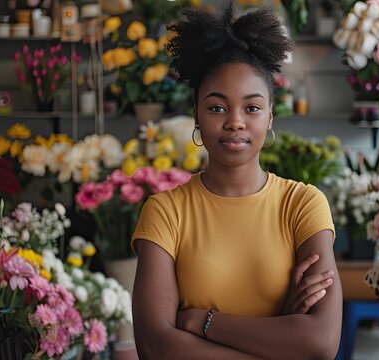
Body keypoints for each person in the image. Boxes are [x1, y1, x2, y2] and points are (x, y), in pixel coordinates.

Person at [131, 2, 342, 359]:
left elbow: (320, 341)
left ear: (270, 117)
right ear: (196, 115)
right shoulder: (165, 212)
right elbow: (156, 347)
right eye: (216, 107)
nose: (235, 122)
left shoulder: (302, 204)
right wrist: (281, 338)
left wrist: (203, 322)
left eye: (252, 107)